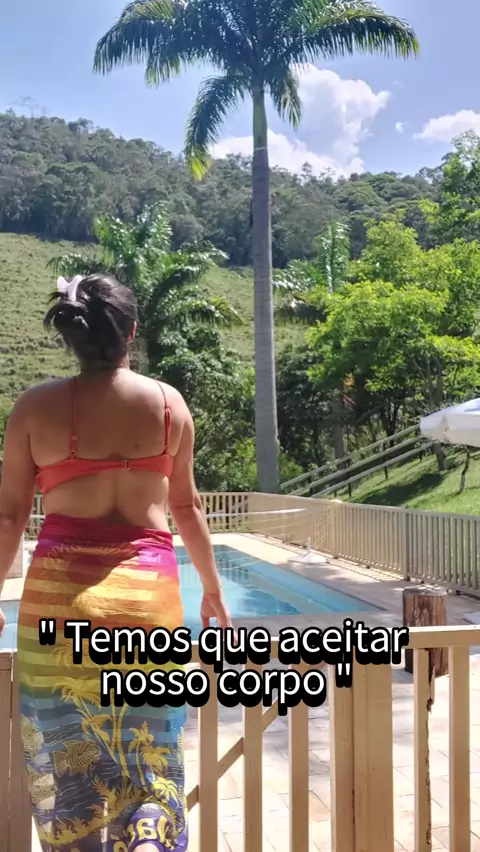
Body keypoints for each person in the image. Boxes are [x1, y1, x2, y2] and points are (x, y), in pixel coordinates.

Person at [0, 273, 233, 852]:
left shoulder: (35, 408)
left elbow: (8, 518)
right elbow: (187, 507)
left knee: (69, 757)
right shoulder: (168, 405)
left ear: (72, 339)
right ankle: (150, 834)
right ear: (131, 332)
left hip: (59, 610)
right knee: (150, 751)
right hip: (146, 606)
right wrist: (212, 590)